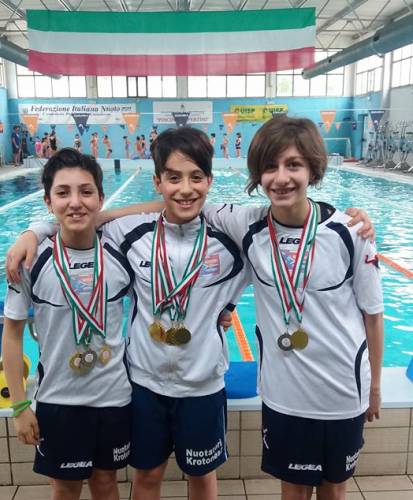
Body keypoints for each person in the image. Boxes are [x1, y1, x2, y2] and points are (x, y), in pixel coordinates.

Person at [6, 128, 249, 500]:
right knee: (145, 476)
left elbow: (259, 260)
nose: (185, 188)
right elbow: (83, 223)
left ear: (210, 180)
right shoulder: (127, 235)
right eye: (173, 178)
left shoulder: (229, 239)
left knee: (201, 477)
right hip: (143, 384)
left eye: (196, 177)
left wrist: (227, 307)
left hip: (201, 385)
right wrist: (34, 230)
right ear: (157, 182)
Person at [201, 116, 384, 500]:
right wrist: (73, 223)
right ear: (258, 173)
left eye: (293, 165)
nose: (281, 178)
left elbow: (373, 315)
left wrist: (376, 388)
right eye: (270, 166)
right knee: (293, 495)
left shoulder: (351, 232)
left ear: (313, 169)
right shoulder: (248, 224)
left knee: (334, 493)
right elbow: (182, 204)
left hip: (342, 393)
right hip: (284, 396)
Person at [2, 148, 133, 500]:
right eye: (63, 193)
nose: (75, 202)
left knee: (106, 484)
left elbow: (159, 209)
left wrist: (38, 227)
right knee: (64, 489)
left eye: (86, 192)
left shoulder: (121, 251)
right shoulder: (30, 261)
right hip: (58, 399)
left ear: (101, 198)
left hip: (113, 397)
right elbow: (12, 335)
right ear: (48, 201)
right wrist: (19, 406)